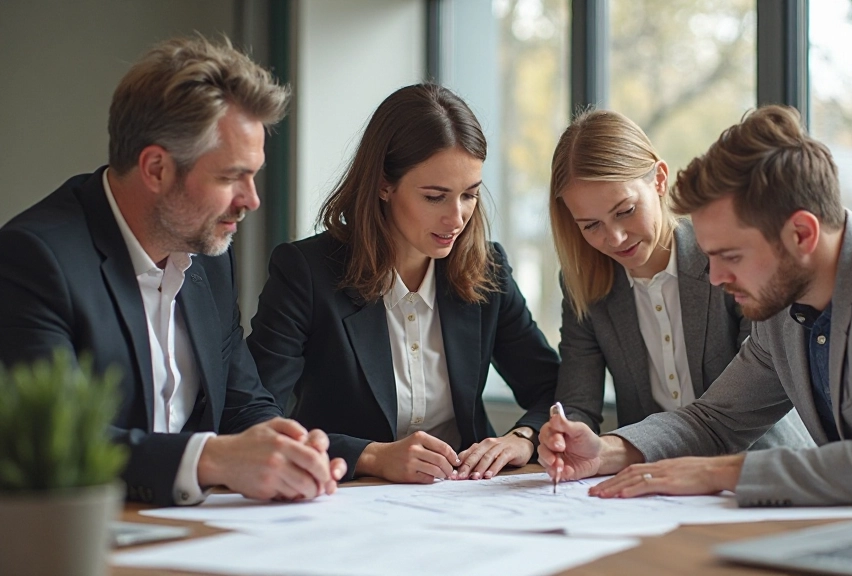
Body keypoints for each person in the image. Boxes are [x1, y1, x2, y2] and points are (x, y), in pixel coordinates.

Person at [538, 105, 852, 507]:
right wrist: (604, 452)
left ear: (802, 234)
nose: (715, 277)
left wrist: (721, 472)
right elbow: (714, 419)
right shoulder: (783, 310)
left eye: (731, 256)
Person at [0, 36, 345, 507]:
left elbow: (242, 401)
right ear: (157, 169)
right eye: (231, 177)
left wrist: (289, 447)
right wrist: (211, 460)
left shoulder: (210, 252)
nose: (251, 200)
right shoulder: (34, 259)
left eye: (254, 175)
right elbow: (54, 444)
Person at [247, 83, 559, 484]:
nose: (456, 218)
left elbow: (553, 388)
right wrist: (371, 456)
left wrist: (523, 437)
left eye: (469, 195)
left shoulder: (488, 268)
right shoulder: (306, 272)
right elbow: (254, 414)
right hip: (345, 493)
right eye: (434, 197)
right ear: (384, 184)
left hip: (465, 496)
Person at [548, 109, 811, 450]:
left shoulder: (726, 259)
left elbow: (753, 398)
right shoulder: (583, 285)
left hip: (760, 461)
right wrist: (564, 437)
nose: (615, 238)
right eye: (591, 225)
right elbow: (577, 405)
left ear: (659, 180)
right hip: (658, 472)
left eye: (625, 211)